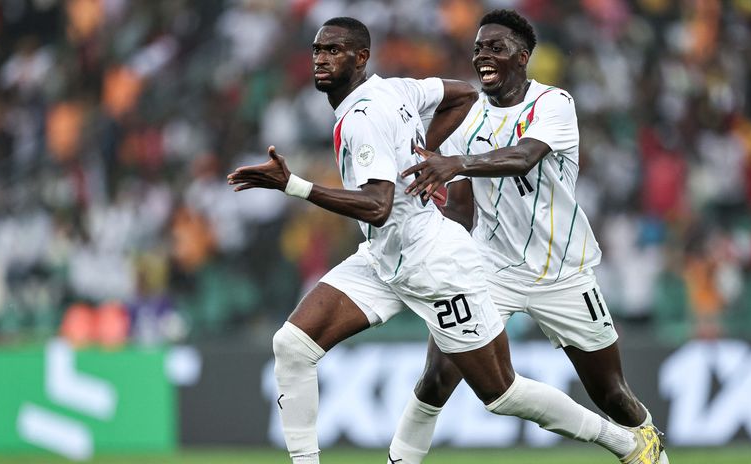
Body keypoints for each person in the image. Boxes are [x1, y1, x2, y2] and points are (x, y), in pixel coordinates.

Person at [228, 16, 661, 464]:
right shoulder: (397, 90)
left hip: (461, 267)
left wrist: (294, 185)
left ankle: (626, 443)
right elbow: (461, 95)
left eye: (333, 51)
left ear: (360, 58)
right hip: (392, 256)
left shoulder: (368, 116)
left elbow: (378, 205)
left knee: (502, 393)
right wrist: (413, 156)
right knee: (295, 346)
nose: (321, 59)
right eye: (317, 50)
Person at [388, 9, 668, 464]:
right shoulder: (466, 118)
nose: (483, 56)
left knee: (613, 394)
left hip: (564, 271)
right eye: (478, 48)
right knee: (437, 376)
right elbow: (461, 206)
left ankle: (650, 454)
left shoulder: (553, 103)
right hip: (490, 268)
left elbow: (523, 157)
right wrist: (435, 227)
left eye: (495, 48)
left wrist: (455, 165)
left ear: (522, 57)